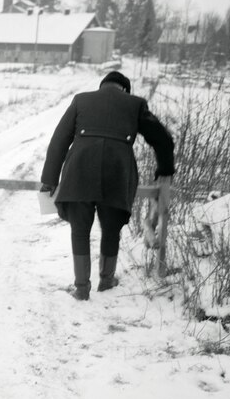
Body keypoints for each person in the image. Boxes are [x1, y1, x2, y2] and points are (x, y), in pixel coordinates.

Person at [40, 71, 175, 300]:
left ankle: (81, 288)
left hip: (79, 171)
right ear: (125, 89)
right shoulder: (135, 104)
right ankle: (106, 282)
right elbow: (163, 139)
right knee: (111, 229)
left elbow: (59, 139)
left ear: (102, 86)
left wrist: (49, 180)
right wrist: (164, 172)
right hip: (117, 173)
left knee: (80, 229)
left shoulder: (81, 100)